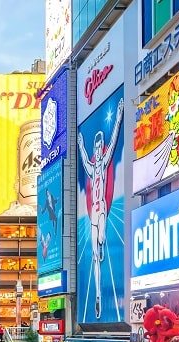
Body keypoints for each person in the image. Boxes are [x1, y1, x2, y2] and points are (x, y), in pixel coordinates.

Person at [78, 97, 125, 319]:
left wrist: (118, 118)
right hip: (94, 213)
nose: (97, 149)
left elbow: (114, 140)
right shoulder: (91, 166)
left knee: (102, 240)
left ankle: (102, 245)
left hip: (102, 208)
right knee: (95, 254)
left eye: (98, 146)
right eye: (95, 147)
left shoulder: (104, 163)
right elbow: (84, 158)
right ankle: (97, 294)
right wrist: (79, 144)